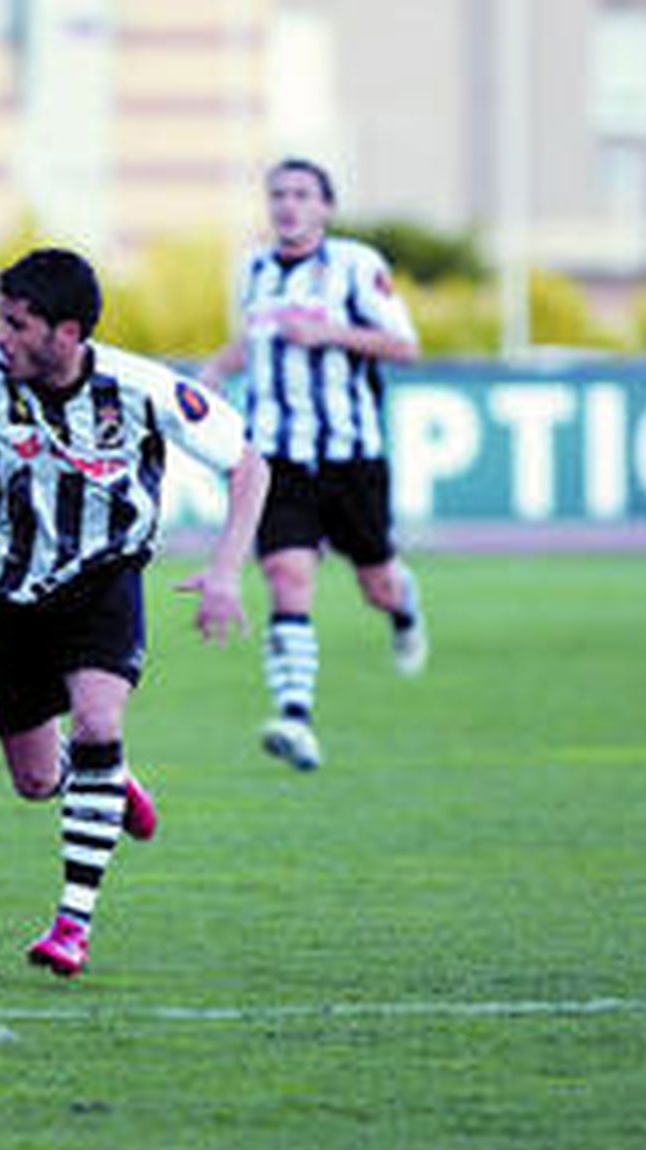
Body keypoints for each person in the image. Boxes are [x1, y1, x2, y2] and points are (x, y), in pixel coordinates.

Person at [0, 247, 269, 977]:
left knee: (101, 723)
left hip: (105, 577)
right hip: (9, 588)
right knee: (37, 781)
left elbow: (248, 464)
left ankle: (72, 924)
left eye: (16, 323)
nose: (0, 336)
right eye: (0, 319)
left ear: (66, 333)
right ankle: (108, 781)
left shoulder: (137, 388)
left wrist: (227, 569)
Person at [199, 158, 428, 773]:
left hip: (350, 455)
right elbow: (256, 340)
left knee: (375, 584)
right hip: (276, 454)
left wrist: (331, 333)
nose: (288, 205)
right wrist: (217, 371)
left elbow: (405, 347)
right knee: (287, 576)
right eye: (278, 194)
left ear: (325, 206)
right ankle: (295, 717)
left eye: (302, 194)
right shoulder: (253, 269)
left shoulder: (357, 267)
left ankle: (404, 605)